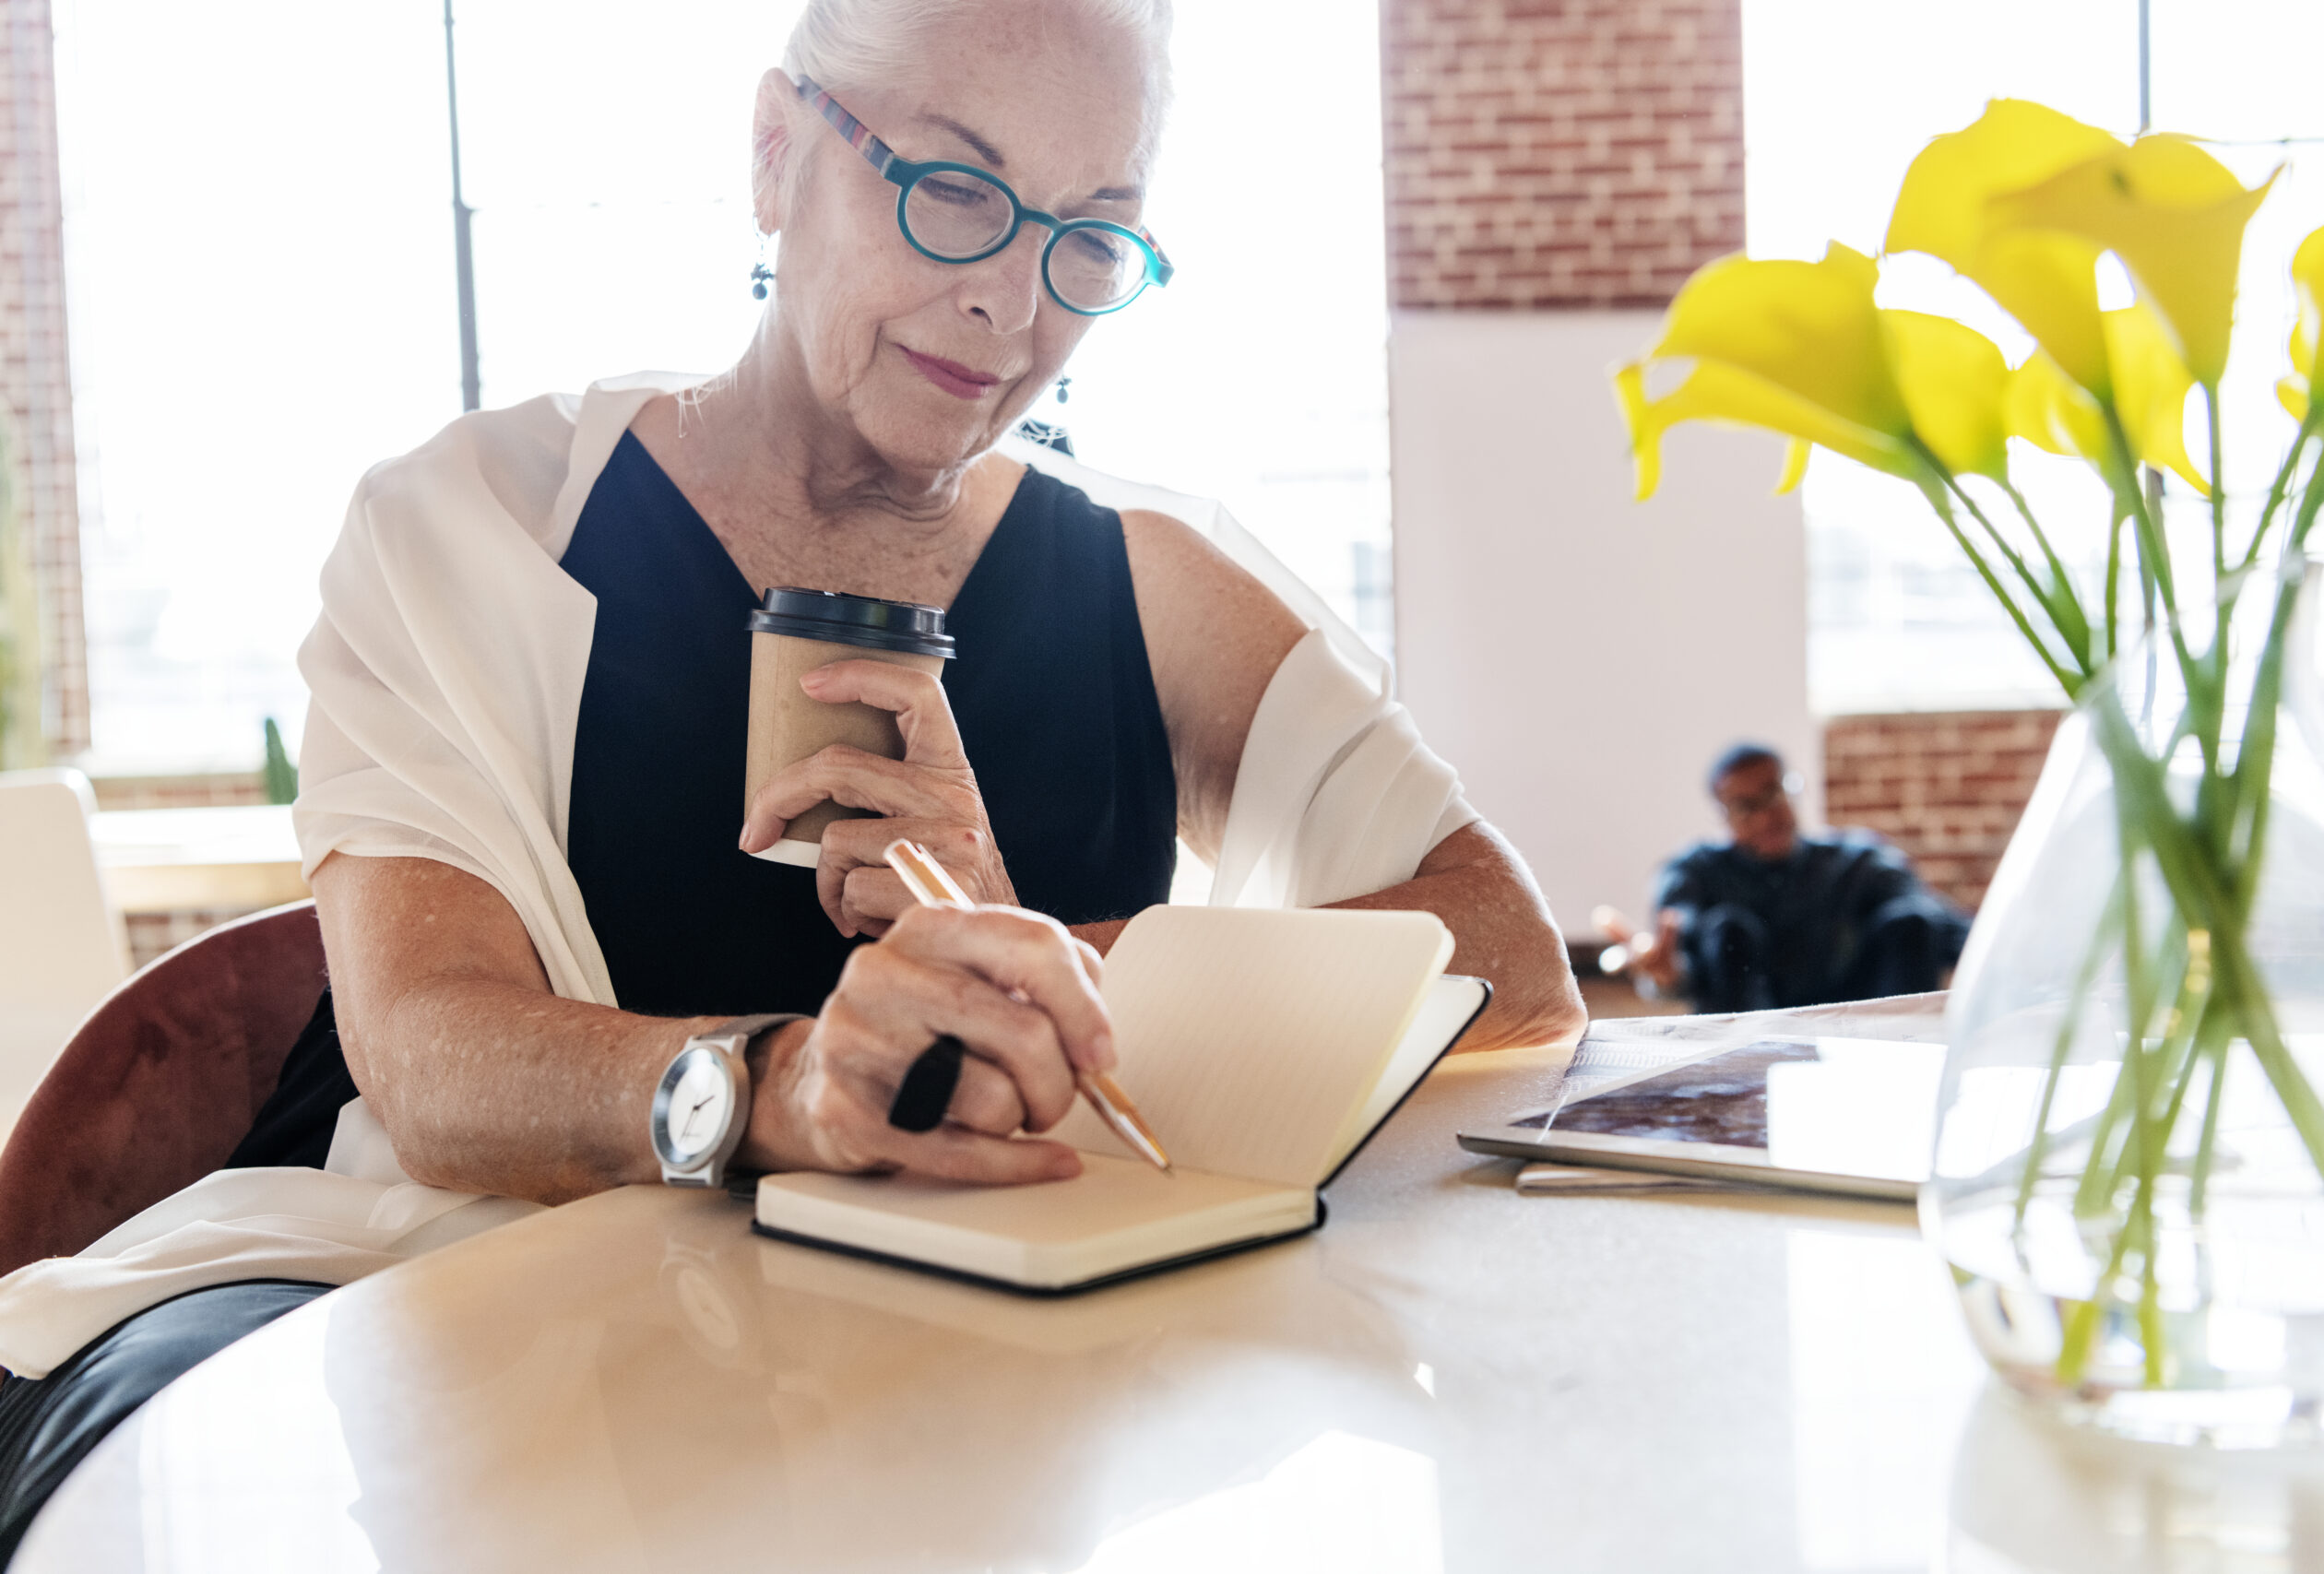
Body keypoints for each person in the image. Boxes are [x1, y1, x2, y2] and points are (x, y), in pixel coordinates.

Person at [0, 0, 1583, 1550]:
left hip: (978, 1344)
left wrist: (1034, 965)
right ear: (778, 153)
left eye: (1088, 237)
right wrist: (781, 1084)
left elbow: (1510, 960)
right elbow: (423, 1055)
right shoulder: (470, 525)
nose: (1014, 307)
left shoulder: (1147, 582)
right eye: (957, 190)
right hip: (413, 1283)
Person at [1601, 742, 1966, 1014]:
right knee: (1727, 928)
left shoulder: (1855, 861)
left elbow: (1944, 924)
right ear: (1723, 815)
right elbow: (1678, 947)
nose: (1766, 816)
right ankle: (1737, 1083)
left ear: (1792, 789)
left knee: (1911, 919)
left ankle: (1908, 1061)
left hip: (1862, 1030)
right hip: (1745, 1048)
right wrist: (1667, 974)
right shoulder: (1695, 872)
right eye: (1745, 807)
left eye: (1774, 793)